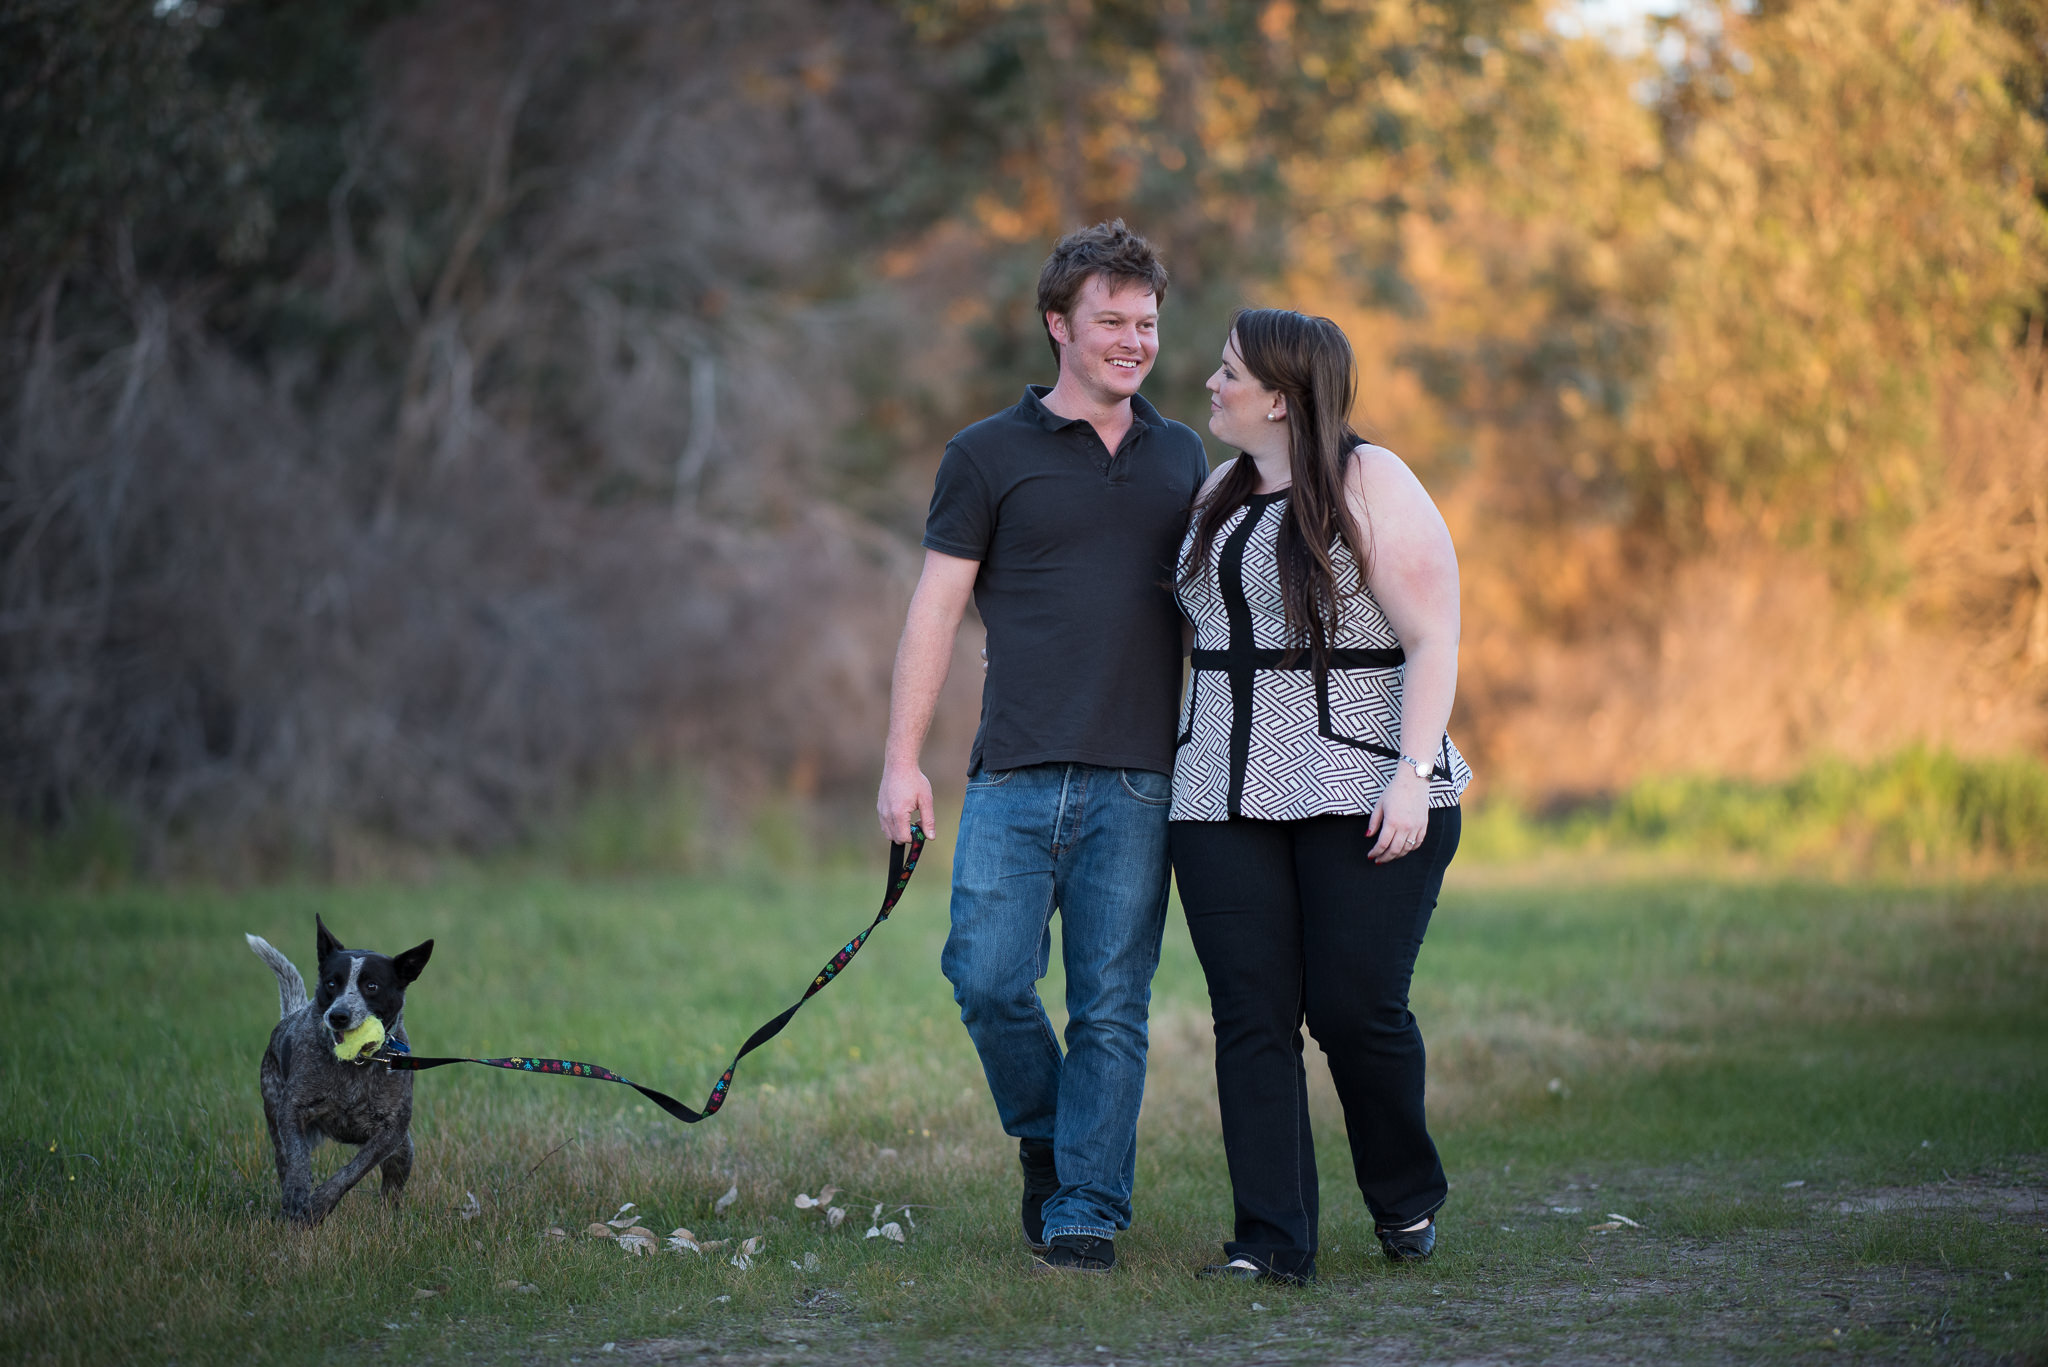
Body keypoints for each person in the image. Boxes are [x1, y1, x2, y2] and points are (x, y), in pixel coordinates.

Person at [876, 220, 1211, 1273]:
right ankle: (1047, 1138)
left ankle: (1085, 1208)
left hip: (1139, 778)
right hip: (1011, 772)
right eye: (1109, 320)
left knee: (1112, 1003)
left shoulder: (1181, 456)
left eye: (1145, 321)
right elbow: (933, 611)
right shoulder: (983, 455)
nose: (1132, 340)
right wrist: (901, 759)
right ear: (1057, 325)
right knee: (983, 975)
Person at [1168, 308, 1472, 1284]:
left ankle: (1404, 1193)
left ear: (1277, 395)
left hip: (1362, 782)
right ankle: (1270, 1238)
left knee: (1351, 1010)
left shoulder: (1369, 479)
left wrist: (1412, 776)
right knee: (1249, 1014)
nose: (1209, 385)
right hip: (1218, 790)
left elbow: (1432, 638)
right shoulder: (1215, 490)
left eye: (1225, 372)